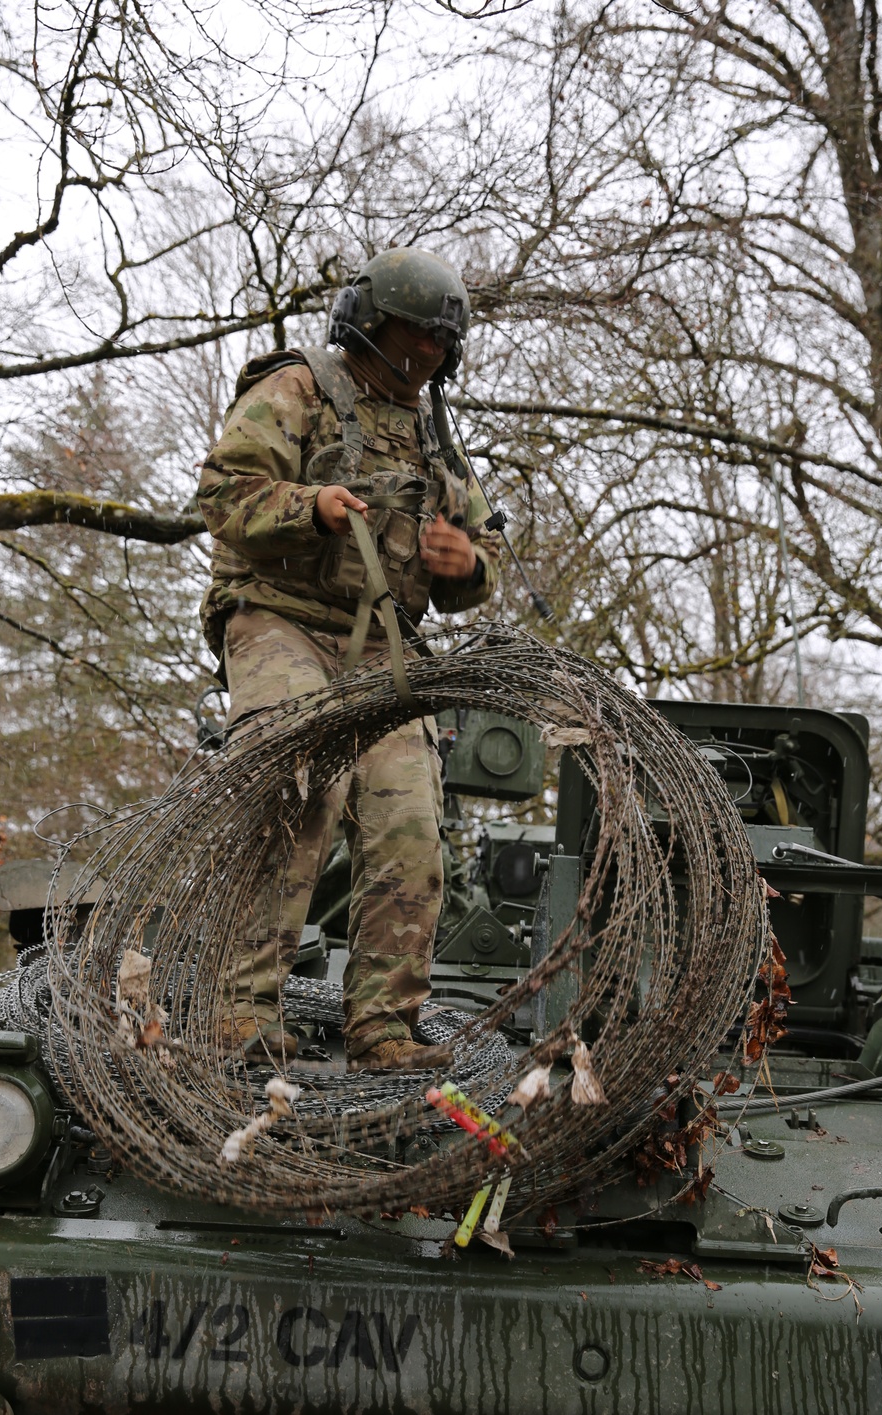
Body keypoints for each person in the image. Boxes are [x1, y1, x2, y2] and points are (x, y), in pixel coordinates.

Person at [195, 247, 499, 1072]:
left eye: (440, 341)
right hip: (280, 621)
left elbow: (487, 551)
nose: (427, 353)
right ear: (370, 323)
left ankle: (384, 1026)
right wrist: (312, 507)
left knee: (409, 824)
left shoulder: (437, 439)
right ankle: (240, 1011)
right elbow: (224, 494)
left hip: (381, 644)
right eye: (413, 335)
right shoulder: (299, 389)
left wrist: (462, 564)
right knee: (301, 780)